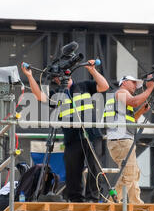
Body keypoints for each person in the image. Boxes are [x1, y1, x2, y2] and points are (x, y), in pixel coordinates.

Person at [21, 60, 109, 202]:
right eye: (56, 77)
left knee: (94, 167)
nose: (59, 79)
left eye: (60, 76)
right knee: (73, 170)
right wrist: (30, 76)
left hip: (92, 135)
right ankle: (76, 200)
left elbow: (104, 86)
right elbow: (39, 96)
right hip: (72, 138)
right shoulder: (57, 94)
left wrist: (92, 70)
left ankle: (92, 198)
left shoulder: (84, 85)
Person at [103, 75, 154, 204]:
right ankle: (112, 202)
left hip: (121, 140)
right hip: (121, 140)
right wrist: (150, 89)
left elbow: (131, 120)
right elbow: (135, 102)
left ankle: (135, 202)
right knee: (129, 173)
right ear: (124, 83)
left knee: (133, 172)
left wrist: (141, 111)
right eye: (133, 83)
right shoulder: (121, 92)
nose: (135, 87)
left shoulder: (122, 99)